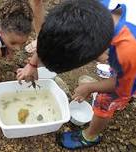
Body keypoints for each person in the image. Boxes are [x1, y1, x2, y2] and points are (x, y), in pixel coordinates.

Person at [17, 0, 136, 150]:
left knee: (105, 100)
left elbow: (121, 87)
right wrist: (32, 64)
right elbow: (49, 35)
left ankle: (90, 136)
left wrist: (90, 87)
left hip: (130, 61)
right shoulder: (88, 9)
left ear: (99, 56)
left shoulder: (128, 53)